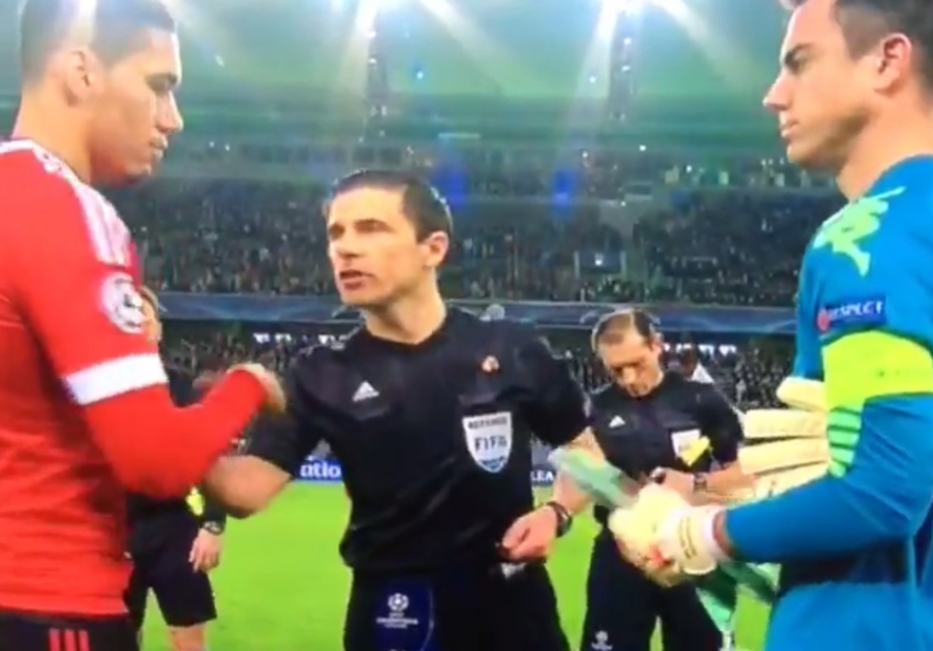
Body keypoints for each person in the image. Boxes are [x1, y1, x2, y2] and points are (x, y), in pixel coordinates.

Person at [607, 1, 933, 650]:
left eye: (799, 63)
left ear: (888, 60)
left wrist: (700, 532)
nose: (775, 95)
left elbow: (885, 492)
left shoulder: (867, 238)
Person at [201, 170, 606, 651]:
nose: (345, 249)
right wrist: (170, 433)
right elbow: (246, 490)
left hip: (512, 600)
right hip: (392, 609)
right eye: (336, 233)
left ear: (433, 248)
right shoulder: (320, 373)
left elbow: (586, 452)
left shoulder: (511, 349)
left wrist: (556, 513)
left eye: (370, 228)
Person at [0, 1, 282, 649]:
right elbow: (155, 462)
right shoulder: (68, 214)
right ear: (82, 72)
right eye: (159, 86)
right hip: (46, 605)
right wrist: (244, 386)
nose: (172, 119)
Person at [577, 309, 742, 651]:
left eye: (636, 363)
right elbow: (577, 473)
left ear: (657, 345)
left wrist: (696, 484)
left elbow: (744, 476)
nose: (628, 378)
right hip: (620, 555)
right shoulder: (596, 409)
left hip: (692, 550)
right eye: (616, 370)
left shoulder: (702, 400)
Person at [124, 289, 225, 651]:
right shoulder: (96, 390)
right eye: (129, 315)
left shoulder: (182, 387)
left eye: (145, 315)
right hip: (114, 530)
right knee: (118, 635)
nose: (138, 322)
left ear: (159, 328)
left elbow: (210, 458)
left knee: (188, 639)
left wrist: (212, 524)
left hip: (174, 526)